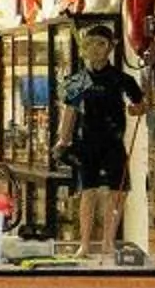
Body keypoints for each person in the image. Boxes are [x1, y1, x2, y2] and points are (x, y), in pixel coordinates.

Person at [55, 22, 141, 262]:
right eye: (90, 44)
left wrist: (138, 109)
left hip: (114, 142)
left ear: (112, 47)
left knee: (117, 193)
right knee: (88, 192)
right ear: (84, 47)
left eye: (101, 44)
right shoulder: (78, 80)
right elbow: (70, 112)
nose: (95, 49)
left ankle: (107, 242)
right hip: (86, 142)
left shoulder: (121, 79)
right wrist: (63, 140)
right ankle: (83, 244)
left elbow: (139, 103)